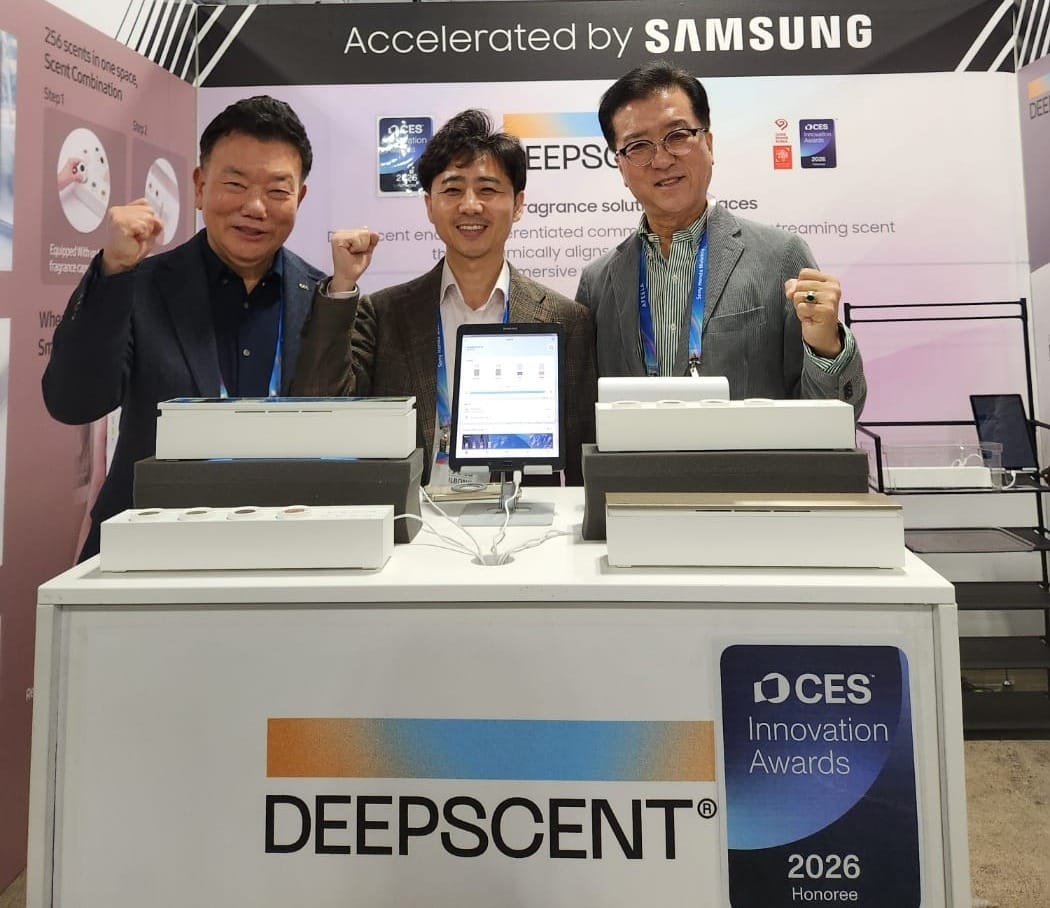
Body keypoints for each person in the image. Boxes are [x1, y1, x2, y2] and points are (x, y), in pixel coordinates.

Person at [42, 95, 345, 561]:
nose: (255, 207)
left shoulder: (324, 300)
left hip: (286, 551)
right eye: (235, 184)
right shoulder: (137, 284)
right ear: (200, 187)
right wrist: (113, 270)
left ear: (299, 198)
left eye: (277, 191)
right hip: (148, 555)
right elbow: (73, 401)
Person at [292, 109, 597, 486]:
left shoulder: (566, 320)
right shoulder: (384, 314)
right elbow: (323, 406)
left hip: (522, 515)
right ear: (429, 205)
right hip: (413, 517)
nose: (470, 205)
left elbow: (584, 461)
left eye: (488, 189)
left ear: (518, 204)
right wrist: (342, 285)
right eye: (452, 190)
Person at [576, 61, 865, 414]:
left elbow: (836, 415)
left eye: (677, 136)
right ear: (620, 166)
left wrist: (826, 348)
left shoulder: (780, 258)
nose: (662, 160)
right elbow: (584, 418)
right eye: (638, 146)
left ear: (708, 144)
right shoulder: (597, 284)